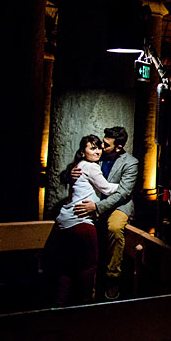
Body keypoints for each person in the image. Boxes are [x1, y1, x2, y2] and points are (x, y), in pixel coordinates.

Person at [51, 135, 118, 305]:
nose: (97, 151)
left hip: (64, 223)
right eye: (92, 148)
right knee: (88, 268)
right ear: (83, 152)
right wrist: (126, 186)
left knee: (66, 269)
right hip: (81, 224)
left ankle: (59, 310)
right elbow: (107, 188)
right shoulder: (91, 167)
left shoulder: (79, 165)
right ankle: (84, 310)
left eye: (99, 148)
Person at [72, 126, 138, 300]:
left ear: (119, 147)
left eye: (106, 144)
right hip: (95, 202)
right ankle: (82, 280)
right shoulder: (97, 156)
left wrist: (98, 207)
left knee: (115, 228)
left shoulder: (131, 162)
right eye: (103, 141)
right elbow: (73, 169)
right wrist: (69, 175)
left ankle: (112, 278)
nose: (101, 145)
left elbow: (123, 193)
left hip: (119, 206)